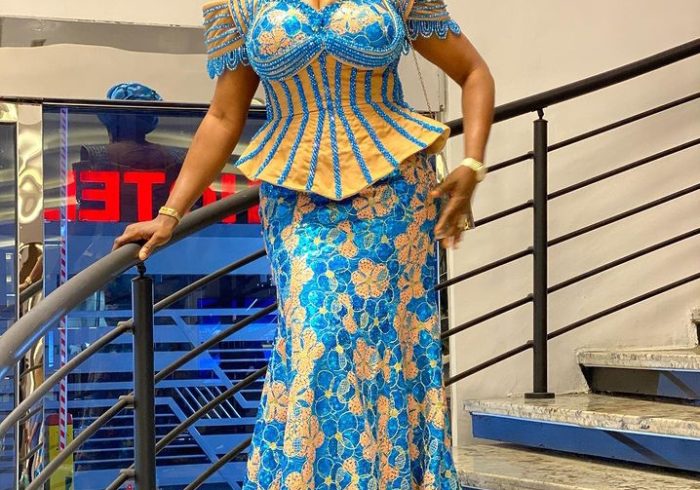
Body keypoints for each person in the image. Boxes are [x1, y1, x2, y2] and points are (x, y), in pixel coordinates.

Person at [112, 0, 495, 488]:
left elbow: (474, 72)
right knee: (318, 336)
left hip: (394, 196)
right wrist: (170, 213)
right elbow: (225, 115)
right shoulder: (237, 5)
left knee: (379, 344)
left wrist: (473, 162)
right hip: (297, 201)